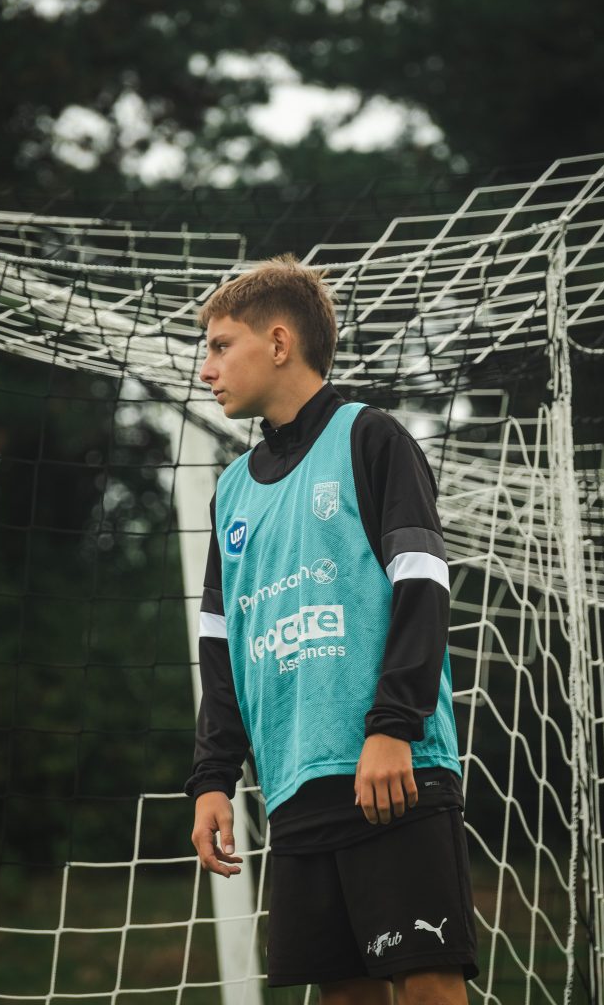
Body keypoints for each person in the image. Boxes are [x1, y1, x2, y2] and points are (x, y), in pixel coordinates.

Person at [185, 255, 478, 1004]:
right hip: (294, 786)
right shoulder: (231, 491)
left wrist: (392, 727)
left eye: (220, 346)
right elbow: (220, 645)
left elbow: (423, 586)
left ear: (279, 342)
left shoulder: (371, 438)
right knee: (343, 996)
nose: (206, 369)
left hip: (392, 768)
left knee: (427, 986)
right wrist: (213, 778)